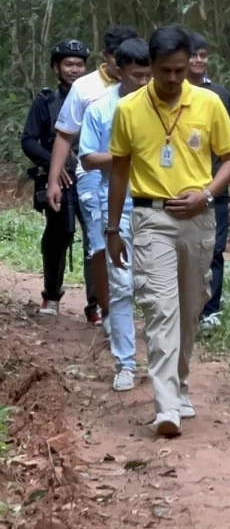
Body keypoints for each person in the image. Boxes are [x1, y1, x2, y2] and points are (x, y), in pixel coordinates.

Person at [107, 25, 230, 438]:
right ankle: (165, 405)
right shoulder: (128, 109)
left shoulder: (208, 102)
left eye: (179, 71)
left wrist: (207, 194)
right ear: (150, 65)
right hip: (151, 218)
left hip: (198, 217)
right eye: (165, 71)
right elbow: (119, 169)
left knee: (189, 307)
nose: (172, 79)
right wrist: (113, 228)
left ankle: (180, 383)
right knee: (160, 307)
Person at [46, 24, 138, 329]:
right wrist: (53, 180)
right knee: (100, 242)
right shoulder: (84, 88)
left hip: (140, 176)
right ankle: (107, 308)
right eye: (118, 62)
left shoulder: (148, 85)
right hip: (93, 173)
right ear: (108, 57)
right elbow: (64, 135)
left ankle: (127, 304)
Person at [79, 39, 151, 391]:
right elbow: (88, 158)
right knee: (121, 286)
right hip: (116, 204)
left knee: (154, 288)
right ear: (119, 71)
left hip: (156, 204)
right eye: (137, 75)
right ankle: (125, 362)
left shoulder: (160, 107)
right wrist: (124, 156)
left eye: (147, 74)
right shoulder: (100, 109)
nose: (144, 81)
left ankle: (160, 360)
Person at [21, 38, 98, 318]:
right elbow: (28, 141)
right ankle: (51, 297)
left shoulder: (96, 99)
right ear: (56, 67)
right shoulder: (45, 101)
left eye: (79, 64)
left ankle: (95, 304)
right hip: (59, 182)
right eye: (68, 64)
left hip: (91, 177)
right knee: (58, 234)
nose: (74, 69)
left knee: (96, 237)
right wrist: (55, 165)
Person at [187, 31, 230, 331]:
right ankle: (187, 305)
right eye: (193, 55)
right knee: (186, 247)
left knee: (215, 249)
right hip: (182, 185)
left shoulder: (220, 94)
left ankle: (211, 308)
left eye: (203, 55)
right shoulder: (172, 92)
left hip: (216, 184)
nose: (198, 60)